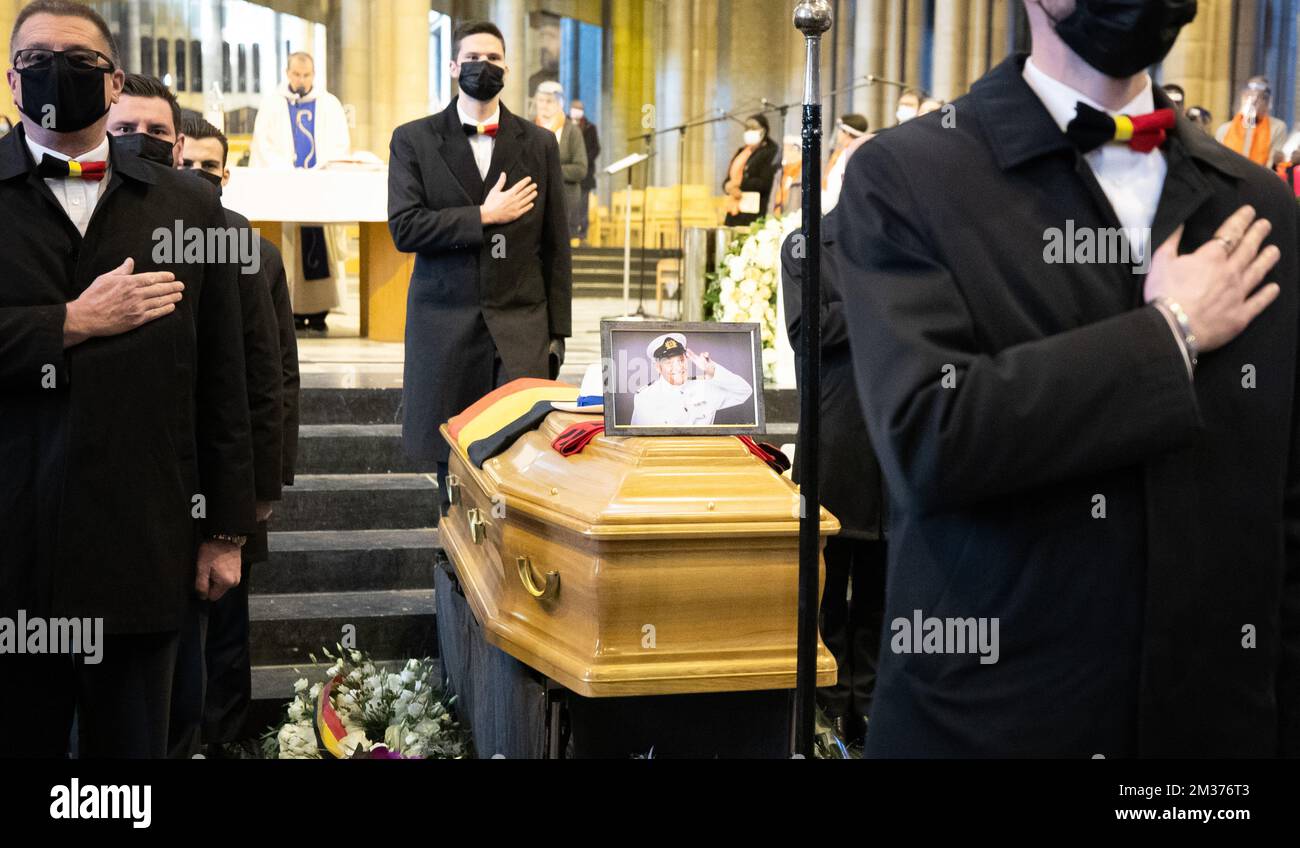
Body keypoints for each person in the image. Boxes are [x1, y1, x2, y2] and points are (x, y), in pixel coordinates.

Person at [831, 0, 1298, 757]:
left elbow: (1283, 515)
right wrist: (1168, 336)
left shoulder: (1260, 207)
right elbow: (928, 437)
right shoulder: (908, 177)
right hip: (992, 726)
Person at [0, 0, 254, 758]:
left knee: (133, 766)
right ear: (13, 81)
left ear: (114, 86)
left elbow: (223, 376)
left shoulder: (187, 205)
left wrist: (226, 531)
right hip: (15, 548)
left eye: (79, 60)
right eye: (40, 58)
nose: (58, 71)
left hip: (142, 544)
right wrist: (70, 323)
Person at [106, 75, 286, 757]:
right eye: (125, 131)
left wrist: (246, 506)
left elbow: (255, 374)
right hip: (93, 503)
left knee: (198, 669)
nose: (140, 145)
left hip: (194, 491)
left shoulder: (226, 236)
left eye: (155, 133)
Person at [388, 20, 571, 511]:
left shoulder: (539, 143)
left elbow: (556, 245)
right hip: (444, 324)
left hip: (519, 325)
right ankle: (457, 570)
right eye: (472, 58)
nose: (482, 67)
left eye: (493, 58)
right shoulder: (414, 140)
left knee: (521, 457)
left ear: (507, 67)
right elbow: (405, 228)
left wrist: (558, 334)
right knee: (451, 463)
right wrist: (484, 216)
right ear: (453, 67)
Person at [181, 112, 301, 755]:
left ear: (225, 175)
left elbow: (279, 372)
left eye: (209, 167)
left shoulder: (254, 251)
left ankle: (225, 741)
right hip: (170, 471)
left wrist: (267, 481)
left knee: (228, 628)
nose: (197, 177)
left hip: (234, 474)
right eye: (186, 165)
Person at [782, 202, 888, 747]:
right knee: (825, 578)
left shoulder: (901, 238)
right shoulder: (806, 245)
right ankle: (823, 703)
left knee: (878, 580)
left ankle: (865, 703)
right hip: (836, 432)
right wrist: (878, 303)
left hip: (891, 434)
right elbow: (810, 329)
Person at [250, 51, 350, 332]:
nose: (301, 80)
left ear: (313, 75)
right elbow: (263, 144)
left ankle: (320, 310)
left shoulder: (329, 104)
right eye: (296, 74)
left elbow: (340, 142)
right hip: (284, 188)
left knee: (320, 246)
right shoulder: (272, 104)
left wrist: (320, 168)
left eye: (306, 75)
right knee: (289, 247)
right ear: (287, 72)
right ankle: (290, 308)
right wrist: (286, 171)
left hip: (320, 187)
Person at [629, 333, 752, 427]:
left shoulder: (704, 387)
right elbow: (637, 440)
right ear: (658, 367)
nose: (678, 367)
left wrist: (712, 370)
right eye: (668, 362)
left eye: (681, 360)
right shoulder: (645, 397)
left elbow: (744, 391)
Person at [533, 80, 587, 243]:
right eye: (540, 100)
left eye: (549, 101)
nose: (544, 105)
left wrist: (552, 170)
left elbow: (581, 169)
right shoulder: (529, 128)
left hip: (565, 202)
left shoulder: (572, 131)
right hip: (535, 203)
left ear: (560, 103)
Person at [1216, 76, 1288, 167]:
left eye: (1259, 97)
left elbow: (1273, 167)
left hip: (1261, 179)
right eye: (1248, 96)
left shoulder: (1277, 127)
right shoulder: (1224, 129)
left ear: (1267, 102)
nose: (1252, 101)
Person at [722, 113, 780, 226]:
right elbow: (728, 179)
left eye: (753, 128)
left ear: (763, 131)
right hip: (734, 210)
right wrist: (728, 187)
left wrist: (739, 184)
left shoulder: (771, 151)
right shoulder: (742, 151)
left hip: (754, 213)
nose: (749, 131)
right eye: (747, 128)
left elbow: (765, 183)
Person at [570, 98, 600, 243]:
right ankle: (570, 232)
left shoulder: (590, 127)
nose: (577, 111)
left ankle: (582, 234)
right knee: (570, 204)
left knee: (583, 204)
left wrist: (583, 161)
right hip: (568, 174)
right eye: (574, 108)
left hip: (585, 174)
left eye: (579, 108)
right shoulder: (565, 125)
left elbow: (596, 148)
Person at [771, 135, 801, 217]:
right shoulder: (779, 174)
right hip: (775, 218)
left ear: (797, 151)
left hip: (793, 221)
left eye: (789, 149)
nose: (785, 153)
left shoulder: (803, 175)